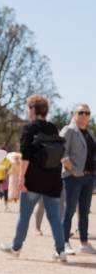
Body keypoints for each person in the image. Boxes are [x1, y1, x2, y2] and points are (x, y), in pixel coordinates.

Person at [0, 95, 66, 261]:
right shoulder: (53, 128)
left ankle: (16, 248)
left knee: (24, 216)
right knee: (54, 218)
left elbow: (26, 157)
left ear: (32, 109)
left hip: (34, 181)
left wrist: (21, 178)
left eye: (28, 108)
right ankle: (61, 251)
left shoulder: (29, 129)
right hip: (53, 180)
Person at [59, 104, 95, 255]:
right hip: (73, 177)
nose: (84, 115)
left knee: (85, 212)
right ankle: (64, 243)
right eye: (81, 112)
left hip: (89, 177)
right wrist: (73, 171)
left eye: (87, 113)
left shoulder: (90, 133)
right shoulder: (69, 130)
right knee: (69, 211)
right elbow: (61, 152)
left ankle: (84, 243)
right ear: (74, 114)